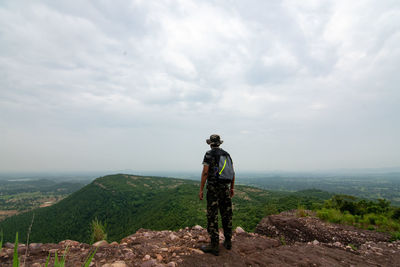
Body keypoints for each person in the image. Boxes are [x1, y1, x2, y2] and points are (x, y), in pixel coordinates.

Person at [199, 134, 235, 256]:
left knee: (212, 216)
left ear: (210, 143)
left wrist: (201, 189)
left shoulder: (209, 154)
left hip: (213, 190)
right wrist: (232, 188)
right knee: (226, 214)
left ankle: (214, 246)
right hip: (225, 189)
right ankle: (228, 241)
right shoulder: (226, 154)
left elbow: (205, 173)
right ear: (219, 143)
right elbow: (232, 172)